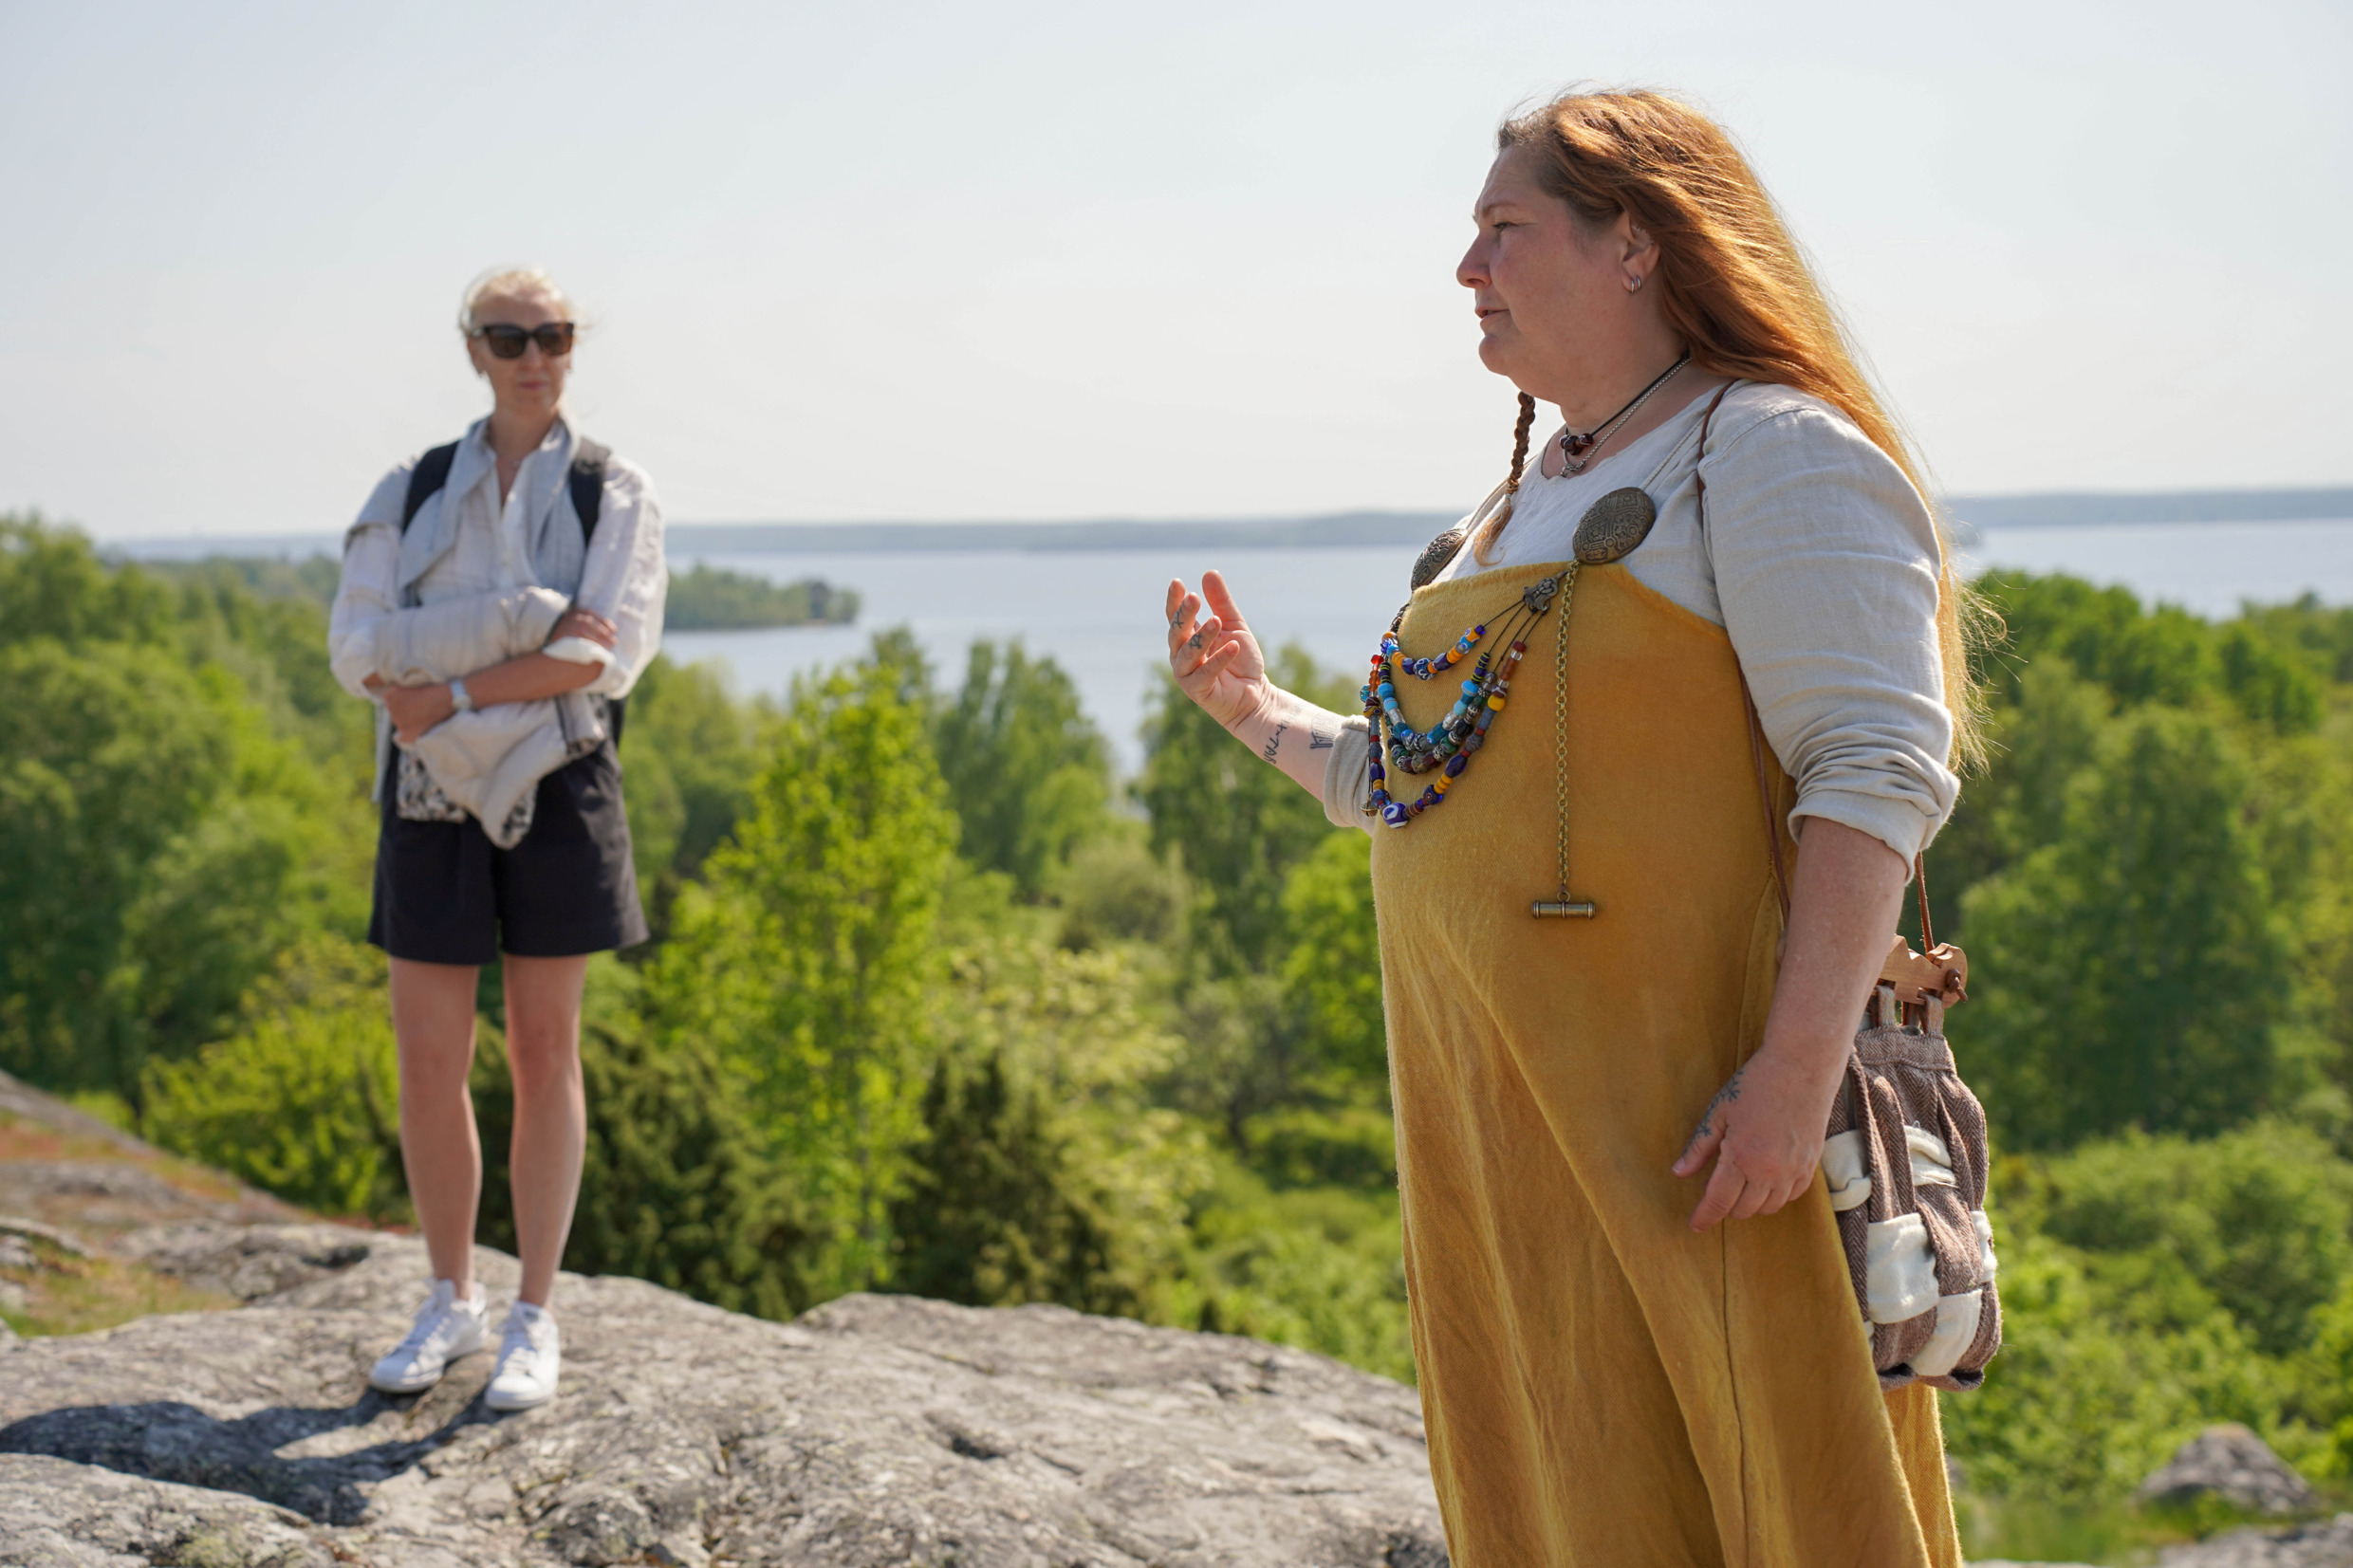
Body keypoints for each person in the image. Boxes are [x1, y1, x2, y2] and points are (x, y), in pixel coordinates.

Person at [1162, 90, 1973, 1566]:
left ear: (1635, 245)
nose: (1467, 267)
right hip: (1494, 1129)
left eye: (1504, 228)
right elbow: (1419, 787)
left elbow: (1874, 772)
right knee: (1552, 1479)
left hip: (1699, 1126)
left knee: (1762, 1487)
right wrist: (1252, 711)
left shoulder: (1771, 451)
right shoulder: (1523, 500)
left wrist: (1792, 1081)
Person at [328, 267, 666, 1412]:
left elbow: (600, 658)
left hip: (559, 787)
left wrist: (450, 685)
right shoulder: (412, 486)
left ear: (572, 345)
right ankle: (448, 1299)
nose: (535, 357)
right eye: (509, 337)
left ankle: (535, 1316)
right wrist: (525, 623)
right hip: (426, 790)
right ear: (472, 348)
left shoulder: (614, 489)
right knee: (427, 1057)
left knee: (542, 1052)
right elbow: (356, 651)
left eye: (553, 335)